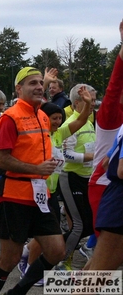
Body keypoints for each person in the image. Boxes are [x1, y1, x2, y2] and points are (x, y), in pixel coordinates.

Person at [0, 67, 64, 295]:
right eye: (32, 83)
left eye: (41, 83)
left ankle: (18, 291)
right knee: (9, 259)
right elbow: (1, 159)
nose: (39, 86)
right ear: (19, 89)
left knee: (56, 251)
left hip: (40, 195)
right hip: (14, 195)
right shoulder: (11, 117)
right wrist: (36, 169)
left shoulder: (42, 115)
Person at [18, 88, 92, 287]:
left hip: (51, 191)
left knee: (51, 232)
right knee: (45, 233)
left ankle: (26, 254)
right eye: (54, 118)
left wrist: (87, 104)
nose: (58, 122)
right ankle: (29, 268)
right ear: (44, 119)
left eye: (60, 118)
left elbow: (81, 120)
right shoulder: (38, 135)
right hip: (35, 189)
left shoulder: (59, 134)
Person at [85, 19, 123, 266]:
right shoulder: (112, 118)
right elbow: (113, 89)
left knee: (101, 267)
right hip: (106, 188)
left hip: (112, 188)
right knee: (102, 268)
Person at [56, 84, 96, 271]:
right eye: (90, 101)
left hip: (86, 178)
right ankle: (61, 261)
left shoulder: (88, 122)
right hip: (70, 177)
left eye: (95, 101)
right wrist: (89, 157)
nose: (93, 105)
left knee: (88, 225)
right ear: (77, 103)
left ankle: (53, 249)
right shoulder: (69, 124)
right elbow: (66, 154)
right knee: (80, 226)